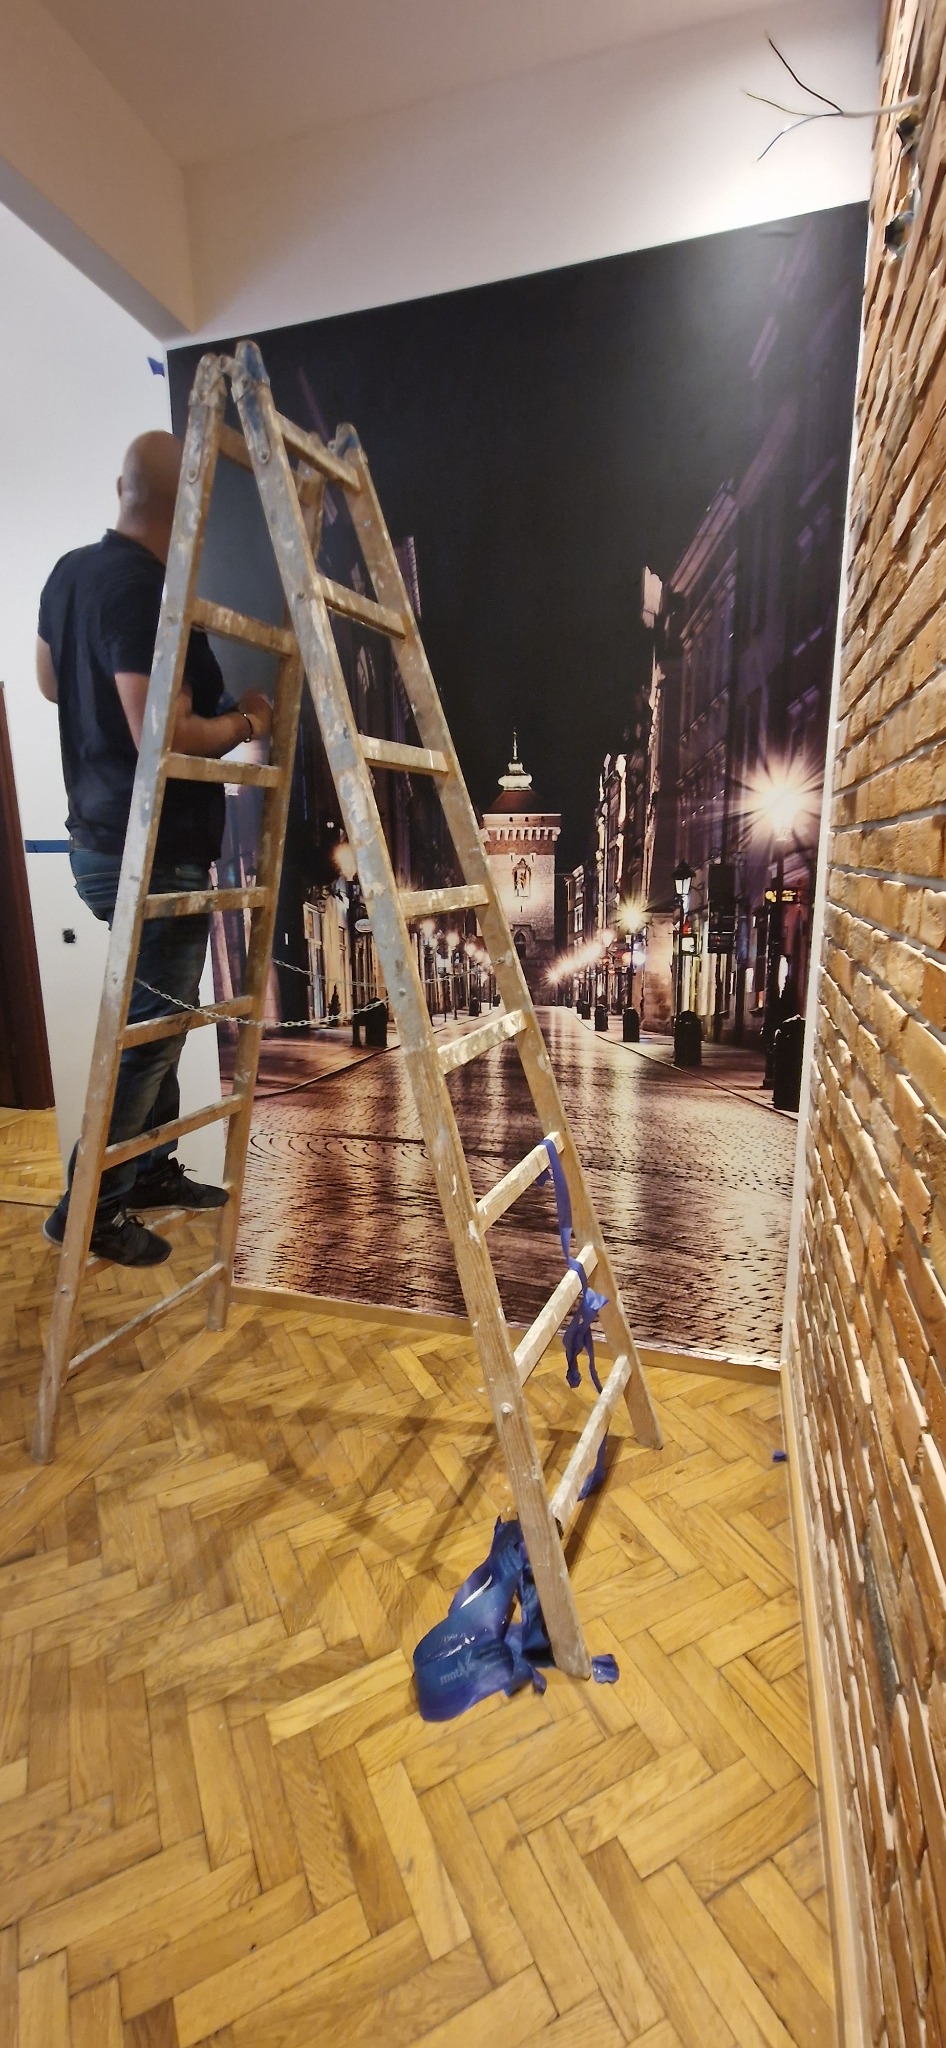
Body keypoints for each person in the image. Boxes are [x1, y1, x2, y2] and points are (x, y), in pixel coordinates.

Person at [38, 430, 272, 1267]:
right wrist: (247, 721)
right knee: (152, 1031)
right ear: (189, 508)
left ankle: (148, 1170)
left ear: (120, 487)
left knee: (160, 1022)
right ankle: (90, 1210)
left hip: (100, 840)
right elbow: (160, 735)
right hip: (151, 847)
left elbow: (47, 679)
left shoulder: (71, 573)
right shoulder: (144, 588)